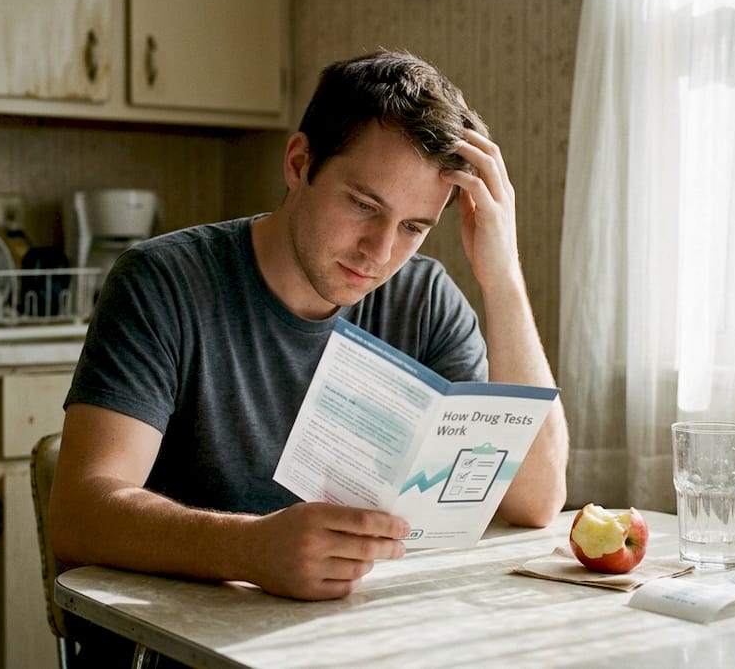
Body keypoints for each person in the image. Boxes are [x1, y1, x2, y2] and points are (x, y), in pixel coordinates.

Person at [50, 48, 569, 661]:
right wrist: (249, 549)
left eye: (413, 227)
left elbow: (536, 500)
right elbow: (79, 516)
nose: (379, 251)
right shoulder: (162, 282)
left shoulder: (426, 298)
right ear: (299, 163)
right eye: (364, 205)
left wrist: (502, 278)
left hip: (355, 644)